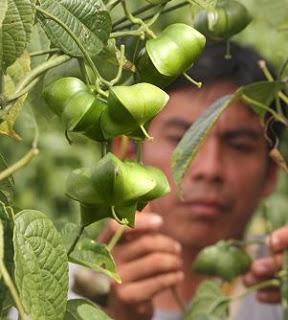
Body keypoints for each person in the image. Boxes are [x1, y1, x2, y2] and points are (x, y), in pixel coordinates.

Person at [76, 42, 288, 320]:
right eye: (181, 139)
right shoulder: (52, 298)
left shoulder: (277, 290)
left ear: (271, 172)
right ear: (127, 153)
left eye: (238, 144)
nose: (210, 169)